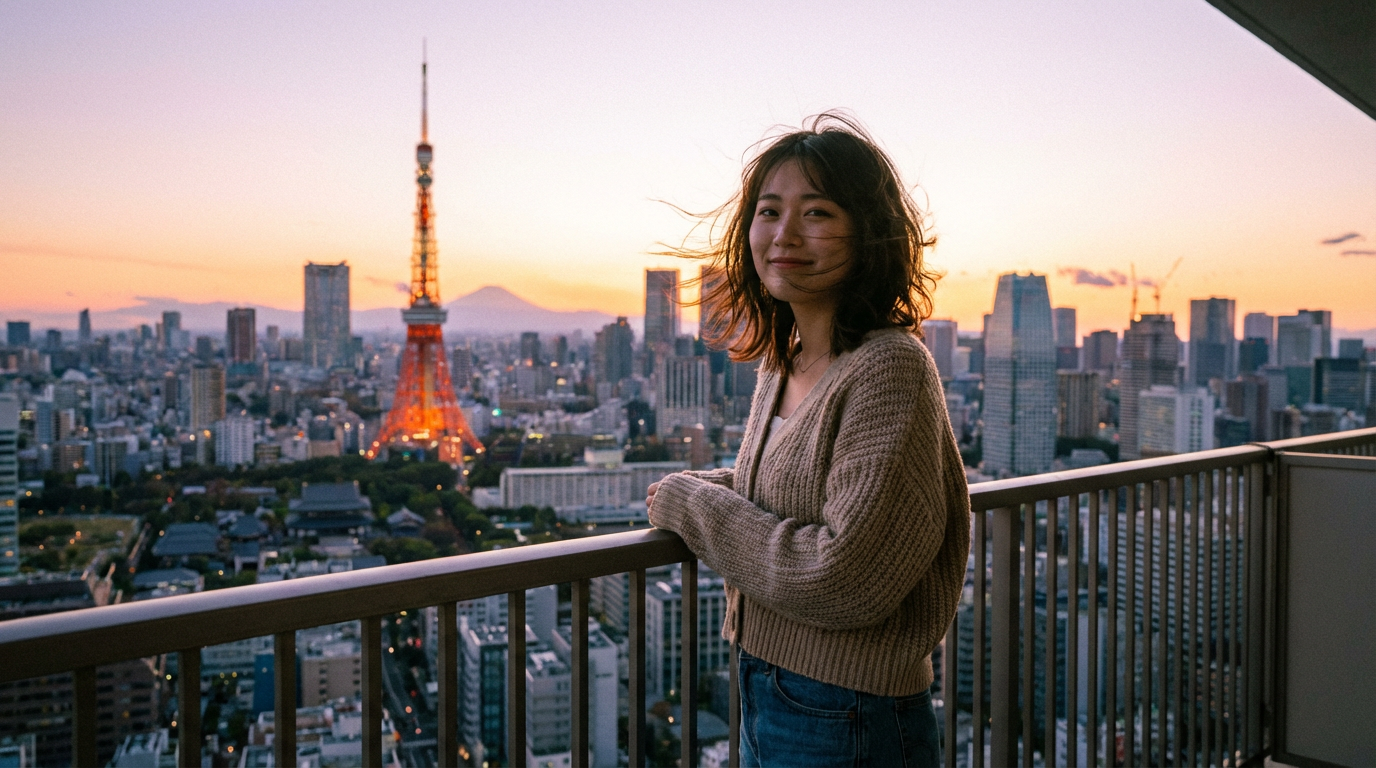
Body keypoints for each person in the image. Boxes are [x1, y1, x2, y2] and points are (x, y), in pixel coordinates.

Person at [645, 113, 970, 767]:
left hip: (849, 710)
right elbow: (788, 493)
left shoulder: (889, 367)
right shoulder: (784, 361)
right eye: (768, 211)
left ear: (868, 232)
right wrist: (696, 488)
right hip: (764, 686)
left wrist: (693, 504)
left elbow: (846, 578)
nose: (784, 234)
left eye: (817, 212)